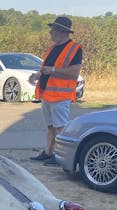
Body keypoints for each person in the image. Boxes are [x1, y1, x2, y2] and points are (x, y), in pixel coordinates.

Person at [29, 16, 82, 166]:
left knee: (60, 128)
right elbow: (45, 69)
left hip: (61, 95)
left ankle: (59, 156)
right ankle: (48, 152)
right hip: (47, 94)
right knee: (50, 127)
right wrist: (37, 75)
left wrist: (51, 70)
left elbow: (74, 73)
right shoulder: (52, 48)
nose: (50, 32)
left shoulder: (74, 48)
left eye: (53, 30)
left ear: (63, 32)